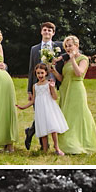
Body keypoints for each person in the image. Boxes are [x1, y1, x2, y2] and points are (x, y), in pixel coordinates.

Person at [56, 36, 96, 155]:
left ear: (77, 45)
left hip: (76, 90)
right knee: (66, 117)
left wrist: (72, 59)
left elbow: (79, 73)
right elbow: (62, 78)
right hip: (65, 90)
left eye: (70, 45)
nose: (68, 48)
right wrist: (53, 71)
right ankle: (66, 145)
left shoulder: (83, 59)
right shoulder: (65, 61)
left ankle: (79, 144)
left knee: (76, 117)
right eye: (66, 46)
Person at [24, 21, 63, 150]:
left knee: (51, 114)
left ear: (53, 33)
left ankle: (30, 131)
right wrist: (30, 89)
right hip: (39, 86)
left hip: (53, 84)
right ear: (41, 32)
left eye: (49, 30)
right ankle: (43, 146)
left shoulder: (59, 46)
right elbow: (30, 70)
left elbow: (70, 53)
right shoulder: (34, 49)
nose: (47, 32)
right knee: (40, 113)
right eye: (45, 30)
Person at [16, 62, 68, 154]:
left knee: (53, 128)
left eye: (42, 73)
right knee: (43, 128)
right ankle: (44, 149)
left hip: (49, 108)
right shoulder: (35, 86)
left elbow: (55, 97)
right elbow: (33, 100)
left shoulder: (49, 84)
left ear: (46, 73)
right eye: (38, 73)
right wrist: (23, 107)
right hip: (40, 109)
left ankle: (56, 148)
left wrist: (52, 88)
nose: (40, 75)